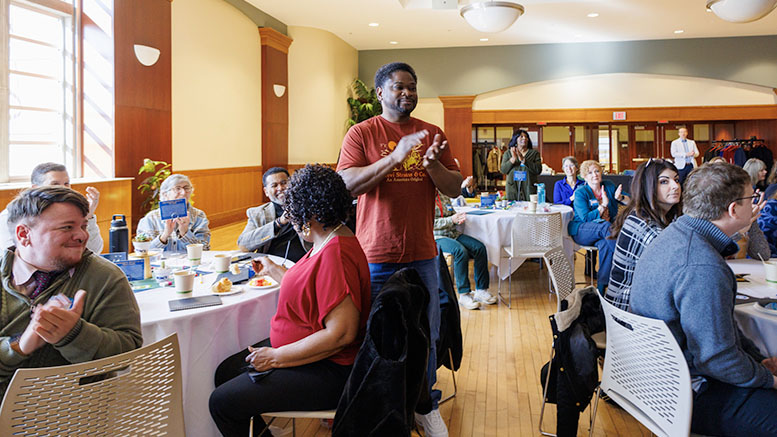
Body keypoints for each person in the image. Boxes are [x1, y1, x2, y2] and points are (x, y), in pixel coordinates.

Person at [337, 62, 462, 437]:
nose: (406, 93)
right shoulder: (361, 133)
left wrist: (432, 166)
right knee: (375, 334)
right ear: (380, 93)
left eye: (412, 87)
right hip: (375, 253)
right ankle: (377, 406)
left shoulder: (433, 132)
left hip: (424, 253)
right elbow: (347, 184)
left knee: (427, 333)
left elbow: (454, 186)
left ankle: (424, 405)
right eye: (398, 87)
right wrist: (394, 157)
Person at [209, 165, 370, 437]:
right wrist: (273, 269)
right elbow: (312, 289)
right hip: (308, 353)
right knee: (225, 372)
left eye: (295, 211)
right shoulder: (329, 239)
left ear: (313, 212)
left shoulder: (336, 255)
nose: (293, 220)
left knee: (221, 403)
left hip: (329, 369)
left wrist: (275, 357)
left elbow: (341, 335)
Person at [630, 162, 777, 436]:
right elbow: (717, 359)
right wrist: (768, 379)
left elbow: (719, 338)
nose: (755, 203)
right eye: (751, 199)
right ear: (734, 209)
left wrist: (758, 363)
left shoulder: (673, 237)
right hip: (683, 395)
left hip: (655, 381)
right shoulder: (703, 267)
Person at [0, 186, 142, 396]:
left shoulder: (104, 277)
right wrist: (19, 345)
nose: (82, 236)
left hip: (74, 418)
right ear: (24, 234)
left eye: (83, 225)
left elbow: (126, 355)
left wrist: (73, 334)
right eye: (67, 227)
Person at [605, 159, 681, 310]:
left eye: (676, 180)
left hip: (634, 305)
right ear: (649, 187)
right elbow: (678, 269)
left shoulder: (650, 215)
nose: (675, 186)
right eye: (664, 182)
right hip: (629, 313)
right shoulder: (647, 226)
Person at [0, 162, 103, 254]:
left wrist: (87, 216)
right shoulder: (11, 216)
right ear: (35, 188)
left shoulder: (71, 213)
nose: (64, 189)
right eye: (55, 184)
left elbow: (95, 251)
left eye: (66, 184)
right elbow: (13, 256)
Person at [568, 160, 629, 293]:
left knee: (605, 245)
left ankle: (601, 289)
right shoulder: (581, 192)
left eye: (597, 171)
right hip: (582, 230)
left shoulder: (608, 185)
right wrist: (603, 205)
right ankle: (626, 261)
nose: (594, 174)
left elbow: (631, 201)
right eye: (590, 173)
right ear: (584, 176)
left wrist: (621, 197)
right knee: (605, 227)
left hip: (605, 233)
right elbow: (585, 218)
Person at [433, 191, 495, 310]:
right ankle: (464, 294)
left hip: (452, 233)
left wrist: (459, 217)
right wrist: (451, 220)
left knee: (479, 248)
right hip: (437, 237)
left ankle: (481, 290)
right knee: (460, 251)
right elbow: (430, 223)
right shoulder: (425, 199)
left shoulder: (444, 195)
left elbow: (452, 214)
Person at [236, 167, 311, 262]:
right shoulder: (257, 213)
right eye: (274, 185)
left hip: (304, 263)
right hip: (271, 264)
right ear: (266, 192)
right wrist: (278, 223)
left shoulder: (307, 207)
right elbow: (243, 245)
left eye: (284, 183)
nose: (280, 188)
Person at [136, 174, 210, 252]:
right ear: (165, 194)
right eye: (177, 188)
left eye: (186, 188)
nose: (183, 192)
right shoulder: (150, 218)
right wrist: (164, 236)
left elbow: (204, 250)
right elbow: (141, 251)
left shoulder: (199, 216)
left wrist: (185, 233)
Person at [500, 129, 542, 201]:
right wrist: (513, 159)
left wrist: (524, 160)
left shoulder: (534, 154)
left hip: (529, 188)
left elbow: (538, 170)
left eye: (526, 137)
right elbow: (503, 170)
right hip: (513, 188)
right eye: (521, 136)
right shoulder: (508, 153)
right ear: (515, 139)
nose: (524, 138)